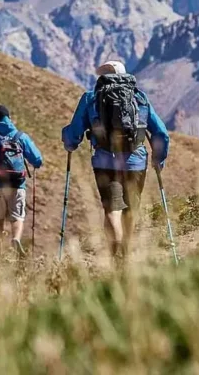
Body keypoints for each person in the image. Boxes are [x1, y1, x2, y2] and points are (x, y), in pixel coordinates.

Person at [61, 61, 169, 258]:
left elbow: (74, 132)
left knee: (112, 209)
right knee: (130, 209)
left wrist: (69, 141)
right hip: (135, 162)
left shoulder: (91, 98)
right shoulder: (139, 98)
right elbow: (161, 133)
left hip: (105, 162)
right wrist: (158, 159)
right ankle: (125, 254)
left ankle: (115, 256)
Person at [0, 105, 43, 255]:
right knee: (17, 217)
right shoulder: (20, 136)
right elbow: (38, 159)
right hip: (18, 184)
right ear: (9, 118)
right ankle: (15, 239)